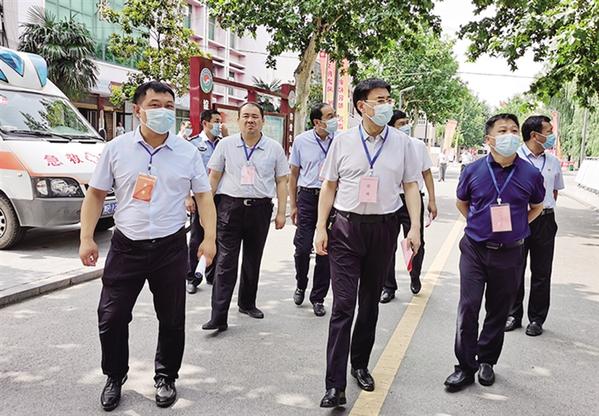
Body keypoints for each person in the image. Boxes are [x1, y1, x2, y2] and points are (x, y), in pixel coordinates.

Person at [78, 81, 217, 410]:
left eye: (169, 106)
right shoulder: (116, 149)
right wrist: (86, 237)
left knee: (171, 318)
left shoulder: (187, 152)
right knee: (111, 316)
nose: (163, 112)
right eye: (155, 105)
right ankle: (114, 375)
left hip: (170, 246)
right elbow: (95, 194)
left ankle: (166, 376)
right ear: (137, 110)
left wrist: (209, 238)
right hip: (126, 246)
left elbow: (203, 197)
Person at [315, 79, 422, 407]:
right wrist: (320, 227)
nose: (387, 105)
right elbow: (329, 186)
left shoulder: (403, 143)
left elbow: (411, 186)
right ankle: (334, 385)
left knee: (370, 303)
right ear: (362, 106)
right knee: (343, 305)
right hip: (346, 229)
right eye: (380, 100)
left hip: (384, 229)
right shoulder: (343, 141)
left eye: (389, 99)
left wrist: (415, 228)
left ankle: (359, 364)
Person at [445, 113, 545, 392]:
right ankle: (465, 366)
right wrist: (479, 225)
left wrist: (518, 227)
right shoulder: (473, 170)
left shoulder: (530, 174)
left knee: (498, 310)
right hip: (475, 250)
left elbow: (537, 206)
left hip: (510, 253)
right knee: (468, 307)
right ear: (489, 139)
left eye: (514, 130)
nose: (510, 135)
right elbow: (462, 202)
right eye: (502, 131)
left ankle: (487, 360)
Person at [202, 102, 289, 331]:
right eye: (246, 116)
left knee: (253, 259)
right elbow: (214, 177)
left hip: (260, 209)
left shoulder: (274, 148)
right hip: (229, 208)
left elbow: (282, 180)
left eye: (255, 116)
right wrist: (206, 210)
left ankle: (247, 303)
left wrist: (282, 212)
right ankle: (218, 315)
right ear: (238, 120)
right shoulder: (226, 145)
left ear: (263, 121)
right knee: (225, 262)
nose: (250, 120)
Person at [505, 115, 565, 336]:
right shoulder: (513, 158)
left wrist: (543, 211)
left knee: (542, 271)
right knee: (515, 269)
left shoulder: (553, 162)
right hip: (519, 219)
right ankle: (513, 315)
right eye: (548, 132)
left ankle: (537, 319)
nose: (552, 136)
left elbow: (554, 192)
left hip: (545, 221)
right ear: (534, 135)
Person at [380, 110, 438, 303]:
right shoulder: (382, 146)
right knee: (387, 245)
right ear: (391, 127)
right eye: (401, 123)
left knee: (416, 241)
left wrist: (432, 200)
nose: (406, 126)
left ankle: (415, 275)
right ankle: (388, 286)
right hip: (389, 200)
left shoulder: (417, 145)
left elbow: (427, 173)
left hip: (412, 200)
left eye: (407, 122)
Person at [288, 103, 336, 317]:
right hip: (308, 197)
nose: (334, 120)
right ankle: (301, 283)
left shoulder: (339, 140)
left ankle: (318, 297)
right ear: (317, 122)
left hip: (333, 197)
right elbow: (293, 175)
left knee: (325, 249)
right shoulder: (301, 141)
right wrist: (293, 204)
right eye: (330, 116)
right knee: (302, 247)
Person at [185, 109, 225, 293]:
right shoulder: (193, 144)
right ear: (205, 123)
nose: (219, 125)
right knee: (197, 237)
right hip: (200, 196)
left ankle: (211, 274)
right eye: (216, 121)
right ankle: (192, 277)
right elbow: (185, 173)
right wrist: (187, 196)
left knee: (217, 237)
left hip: (220, 197)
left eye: (220, 121)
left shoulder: (223, 144)